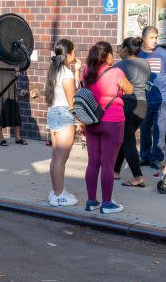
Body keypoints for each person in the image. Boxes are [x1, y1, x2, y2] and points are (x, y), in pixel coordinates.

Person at [80, 41, 133, 214]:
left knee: (93, 162)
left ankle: (91, 201)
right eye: (112, 54)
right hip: (113, 122)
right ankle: (107, 203)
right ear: (108, 55)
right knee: (108, 164)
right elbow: (130, 89)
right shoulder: (116, 72)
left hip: (91, 121)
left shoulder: (87, 71)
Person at [44, 39, 79, 206]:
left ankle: (56, 191)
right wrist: (79, 120)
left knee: (55, 157)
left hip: (53, 113)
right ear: (69, 54)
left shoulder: (54, 71)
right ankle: (58, 195)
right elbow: (73, 101)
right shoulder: (67, 73)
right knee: (61, 159)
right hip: (64, 114)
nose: (75, 55)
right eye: (74, 52)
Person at [114, 37, 150, 188]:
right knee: (125, 137)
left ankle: (138, 176)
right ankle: (115, 170)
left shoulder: (120, 66)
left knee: (128, 141)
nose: (119, 51)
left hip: (128, 104)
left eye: (121, 48)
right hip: (142, 105)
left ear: (125, 49)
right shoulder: (145, 64)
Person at [139, 26, 166, 169]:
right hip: (144, 99)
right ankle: (145, 156)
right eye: (151, 37)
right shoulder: (138, 55)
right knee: (145, 128)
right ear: (143, 38)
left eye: (156, 37)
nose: (155, 40)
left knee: (160, 129)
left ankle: (156, 158)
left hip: (163, 98)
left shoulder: (164, 54)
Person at [0, 43, 26, 146]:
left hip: (10, 77)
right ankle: (1, 137)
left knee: (14, 107)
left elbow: (17, 57)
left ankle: (18, 137)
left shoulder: (11, 42)